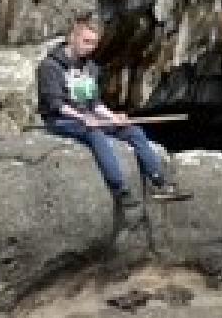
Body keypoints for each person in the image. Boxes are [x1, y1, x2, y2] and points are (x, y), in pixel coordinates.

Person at [37, 17, 188, 208]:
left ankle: (161, 183)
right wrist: (84, 118)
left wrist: (113, 117)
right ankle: (120, 190)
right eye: (86, 41)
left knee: (132, 130)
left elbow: (94, 103)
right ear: (72, 38)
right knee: (95, 135)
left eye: (93, 43)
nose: (90, 47)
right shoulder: (50, 67)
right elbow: (55, 105)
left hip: (88, 116)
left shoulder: (90, 68)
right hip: (61, 119)